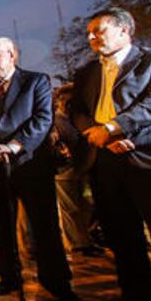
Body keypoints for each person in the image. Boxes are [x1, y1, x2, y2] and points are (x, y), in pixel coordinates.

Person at [71, 7, 151, 301]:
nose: (92, 36)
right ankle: (136, 295)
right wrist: (95, 134)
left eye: (99, 29)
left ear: (125, 31)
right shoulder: (87, 72)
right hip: (105, 161)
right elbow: (78, 111)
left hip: (150, 159)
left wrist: (115, 128)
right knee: (122, 234)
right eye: (89, 32)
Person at [0, 37, 80, 301]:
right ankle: (8, 276)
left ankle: (56, 281)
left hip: (29, 163)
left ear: (12, 55)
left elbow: (42, 119)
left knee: (44, 225)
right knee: (1, 225)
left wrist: (14, 146)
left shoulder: (35, 81)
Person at [50, 84, 102, 256]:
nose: (67, 103)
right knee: (70, 207)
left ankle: (84, 238)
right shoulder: (56, 121)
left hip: (79, 168)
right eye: (64, 100)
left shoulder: (73, 119)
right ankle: (78, 243)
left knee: (84, 205)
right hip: (65, 169)